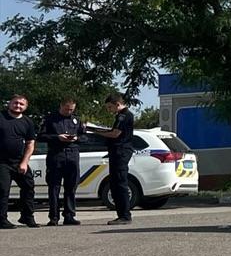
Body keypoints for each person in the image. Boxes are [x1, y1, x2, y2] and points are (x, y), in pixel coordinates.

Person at [88, 92, 137, 224]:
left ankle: (125, 216)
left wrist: (95, 131)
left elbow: (115, 134)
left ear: (117, 104)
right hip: (117, 152)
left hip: (121, 152)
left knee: (120, 183)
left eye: (110, 107)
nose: (109, 110)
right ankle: (121, 214)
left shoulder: (124, 116)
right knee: (115, 184)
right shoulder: (121, 116)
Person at [41, 97, 84, 226]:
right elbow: (41, 136)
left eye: (71, 109)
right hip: (56, 155)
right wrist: (57, 137)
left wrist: (76, 138)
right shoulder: (50, 119)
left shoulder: (76, 120)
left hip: (72, 155)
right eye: (67, 109)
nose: (69, 112)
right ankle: (54, 217)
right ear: (61, 106)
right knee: (54, 187)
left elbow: (85, 137)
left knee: (71, 186)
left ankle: (69, 215)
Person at [1, 92, 40, 229]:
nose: (18, 106)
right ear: (10, 103)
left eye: (21, 104)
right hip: (2, 163)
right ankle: (2, 220)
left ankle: (27, 217)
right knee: (2, 190)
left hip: (19, 162)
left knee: (28, 187)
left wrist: (24, 162)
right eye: (15, 103)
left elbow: (30, 143)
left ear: (26, 106)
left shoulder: (27, 122)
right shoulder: (1, 117)